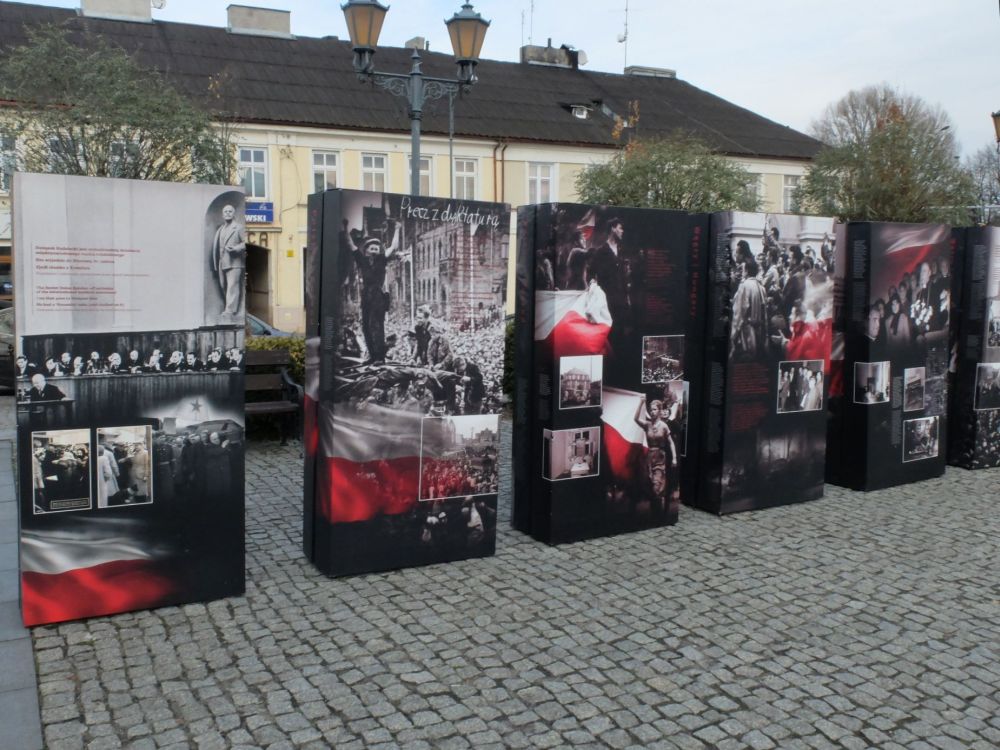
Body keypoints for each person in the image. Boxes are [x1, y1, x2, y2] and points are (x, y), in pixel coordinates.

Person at [349, 223, 400, 363]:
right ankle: (372, 356)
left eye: (376, 249)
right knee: (366, 326)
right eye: (371, 248)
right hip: (366, 296)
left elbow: (393, 246)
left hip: (378, 296)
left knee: (376, 325)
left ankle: (379, 357)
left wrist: (397, 229)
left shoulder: (382, 259)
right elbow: (351, 246)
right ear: (366, 250)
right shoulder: (362, 261)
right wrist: (345, 228)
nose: (374, 251)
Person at [634, 395, 676, 516]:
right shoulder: (647, 425)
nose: (652, 412)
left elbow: (671, 442)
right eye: (651, 409)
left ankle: (659, 513)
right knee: (649, 484)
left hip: (660, 457)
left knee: (657, 484)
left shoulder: (664, 426)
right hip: (649, 457)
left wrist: (674, 458)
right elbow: (635, 419)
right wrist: (641, 403)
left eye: (655, 409)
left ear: (659, 410)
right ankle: (655, 513)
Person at [212, 204, 247, 320]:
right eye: (225, 211)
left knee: (232, 286)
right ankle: (230, 308)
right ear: (222, 215)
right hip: (222, 262)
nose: (228, 213)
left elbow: (245, 243)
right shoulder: (220, 229)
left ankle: (230, 311)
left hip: (235, 262)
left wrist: (236, 248)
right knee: (224, 286)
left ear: (234, 214)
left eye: (230, 211)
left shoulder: (239, 227)